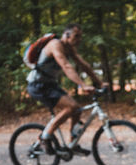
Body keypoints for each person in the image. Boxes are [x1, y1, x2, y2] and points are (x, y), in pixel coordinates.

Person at [26, 23, 104, 154]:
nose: (79, 39)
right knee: (71, 107)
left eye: (80, 37)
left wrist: (99, 83)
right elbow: (66, 66)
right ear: (66, 35)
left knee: (77, 109)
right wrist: (83, 85)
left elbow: (84, 65)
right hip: (37, 85)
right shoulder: (55, 45)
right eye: (76, 36)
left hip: (49, 84)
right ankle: (45, 137)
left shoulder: (69, 49)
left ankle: (72, 143)